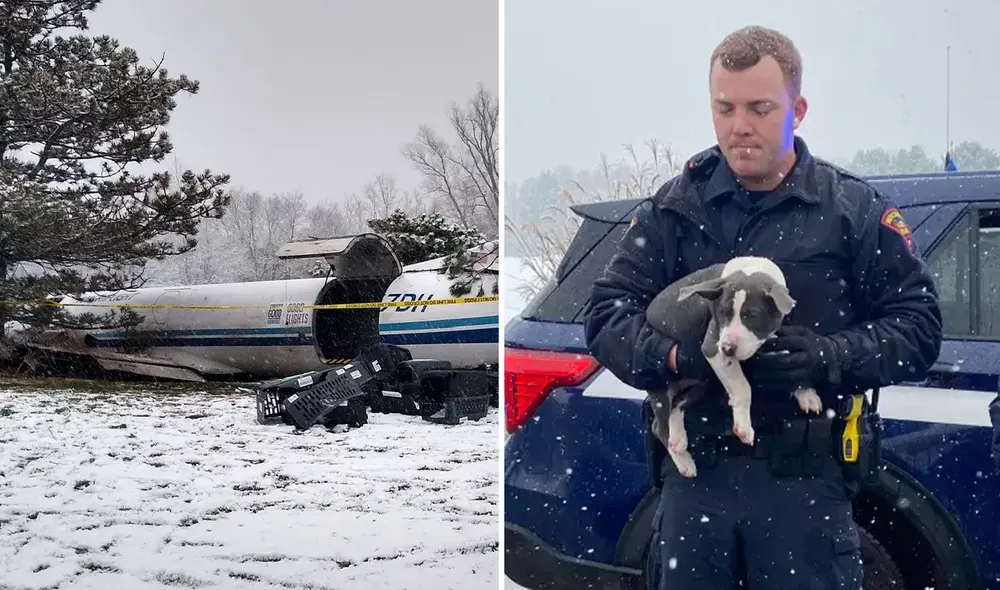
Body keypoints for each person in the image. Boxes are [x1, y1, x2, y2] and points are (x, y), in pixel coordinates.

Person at [583, 25, 943, 590]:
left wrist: (827, 356)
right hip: (696, 484)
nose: (739, 126)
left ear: (797, 110)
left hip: (804, 486)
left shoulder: (849, 210)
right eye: (724, 107)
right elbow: (606, 315)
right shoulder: (674, 210)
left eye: (759, 108)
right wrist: (677, 358)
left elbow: (919, 328)